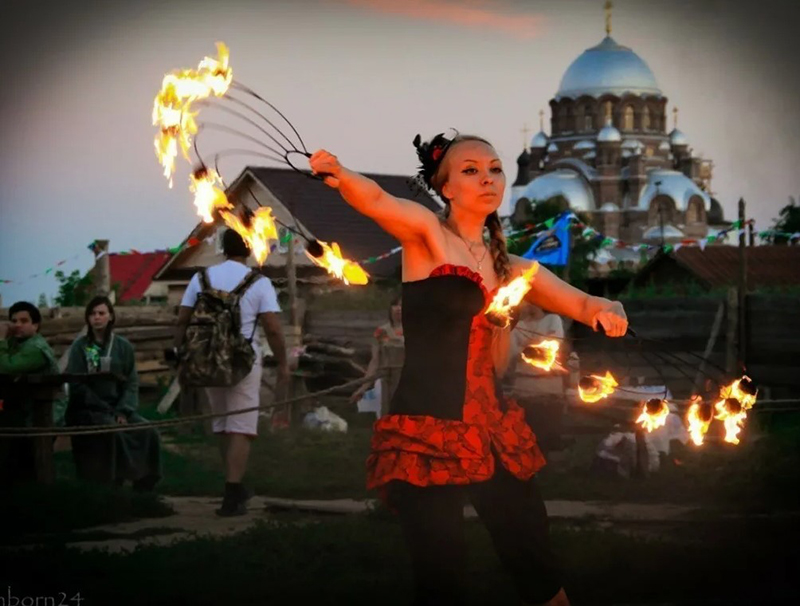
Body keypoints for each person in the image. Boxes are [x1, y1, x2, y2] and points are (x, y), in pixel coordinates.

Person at [308, 132, 627, 606]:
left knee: (533, 556)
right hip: (428, 431)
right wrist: (339, 175)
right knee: (442, 574)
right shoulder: (426, 236)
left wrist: (610, 307)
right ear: (447, 187)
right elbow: (375, 198)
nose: (487, 178)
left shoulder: (514, 268)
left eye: (495, 169)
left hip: (493, 432)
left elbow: (581, 301)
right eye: (471, 170)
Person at [175, 228, 290, 516]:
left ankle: (232, 485)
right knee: (242, 426)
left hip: (208, 359)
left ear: (222, 248)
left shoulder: (200, 278)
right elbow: (273, 329)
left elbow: (182, 321)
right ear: (249, 247)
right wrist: (284, 362)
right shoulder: (259, 282)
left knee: (222, 424)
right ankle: (232, 492)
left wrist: (183, 354)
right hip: (242, 361)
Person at [66, 296, 161, 491]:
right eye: (92, 314)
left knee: (148, 430)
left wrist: (123, 410)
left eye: (101, 313)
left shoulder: (122, 346)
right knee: (112, 433)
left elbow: (131, 381)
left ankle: (144, 482)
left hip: (119, 408)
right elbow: (77, 384)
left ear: (110, 316)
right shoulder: (81, 347)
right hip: (89, 410)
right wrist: (103, 408)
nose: (97, 317)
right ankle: (112, 483)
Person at [0, 301, 62, 486]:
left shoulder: (36, 348)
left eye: (24, 320)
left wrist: (1, 340)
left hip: (43, 412)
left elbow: (7, 367)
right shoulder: (17, 343)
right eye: (14, 320)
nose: (17, 324)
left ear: (35, 325)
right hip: (21, 409)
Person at [508, 303, 577, 454]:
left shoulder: (552, 320)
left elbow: (551, 350)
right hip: (523, 388)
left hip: (549, 388)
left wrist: (527, 350)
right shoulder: (517, 326)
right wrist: (532, 351)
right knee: (525, 432)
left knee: (546, 434)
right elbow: (512, 352)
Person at [350, 295, 404, 416]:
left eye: (402, 305)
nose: (399, 308)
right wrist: (363, 388)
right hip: (387, 382)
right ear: (390, 309)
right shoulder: (381, 332)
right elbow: (375, 361)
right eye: (396, 305)